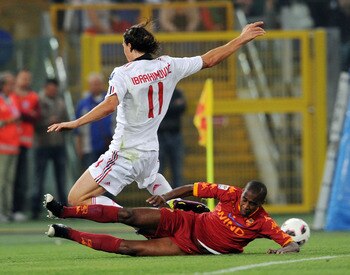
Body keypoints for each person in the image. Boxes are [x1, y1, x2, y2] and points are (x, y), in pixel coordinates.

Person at [46, 20, 265, 211]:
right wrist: (242, 38)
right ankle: (185, 218)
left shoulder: (122, 73)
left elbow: (109, 106)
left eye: (124, 45)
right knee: (154, 183)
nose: (123, 49)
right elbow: (210, 59)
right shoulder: (169, 65)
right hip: (150, 151)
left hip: (125, 152)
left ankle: (131, 217)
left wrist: (75, 123)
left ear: (130, 46)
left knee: (76, 198)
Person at [44, 180, 300, 255]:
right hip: (185, 222)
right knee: (127, 215)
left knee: (130, 249)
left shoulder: (264, 222)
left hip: (189, 246)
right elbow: (192, 187)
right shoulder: (230, 193)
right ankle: (63, 211)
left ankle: (67, 233)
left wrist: (282, 251)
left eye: (251, 203)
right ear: (242, 193)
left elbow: (292, 245)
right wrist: (165, 197)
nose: (245, 205)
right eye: (245, 199)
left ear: (260, 205)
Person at [31, 78, 68, 220]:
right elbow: (34, 122)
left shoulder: (61, 102)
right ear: (46, 88)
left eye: (55, 88)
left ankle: (63, 208)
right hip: (42, 144)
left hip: (58, 144)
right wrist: (49, 122)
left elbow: (66, 121)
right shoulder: (38, 100)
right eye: (50, 88)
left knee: (61, 178)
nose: (53, 91)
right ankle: (34, 210)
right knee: (38, 178)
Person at [12, 69, 40, 222]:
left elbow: (36, 117)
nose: (26, 81)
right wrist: (25, 113)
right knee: (8, 178)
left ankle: (17, 209)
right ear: (17, 79)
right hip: (7, 141)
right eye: (23, 78)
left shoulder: (33, 97)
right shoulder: (10, 96)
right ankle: (7, 209)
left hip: (24, 142)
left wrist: (23, 114)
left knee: (21, 177)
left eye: (28, 78)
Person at [75, 72, 113, 171]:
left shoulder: (110, 101)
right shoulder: (83, 104)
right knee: (92, 176)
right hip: (89, 147)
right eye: (93, 84)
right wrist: (79, 146)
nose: (96, 86)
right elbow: (78, 128)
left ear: (102, 84)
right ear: (89, 86)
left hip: (110, 146)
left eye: (98, 83)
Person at [0, 72, 20, 222]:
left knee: (11, 181)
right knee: (1, 180)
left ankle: (8, 211)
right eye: (10, 83)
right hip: (2, 146)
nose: (12, 86)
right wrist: (7, 121)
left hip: (13, 145)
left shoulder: (13, 99)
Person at [158, 87, 186, 188]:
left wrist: (165, 107)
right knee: (158, 171)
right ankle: (160, 198)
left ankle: (178, 200)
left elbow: (183, 107)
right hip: (159, 137)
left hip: (175, 135)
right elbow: (157, 110)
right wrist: (173, 105)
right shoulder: (156, 92)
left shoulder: (177, 92)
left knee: (177, 171)